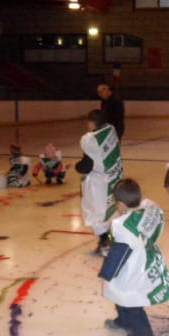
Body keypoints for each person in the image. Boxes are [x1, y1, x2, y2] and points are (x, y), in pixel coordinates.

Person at [100, 178, 169, 336]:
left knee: (131, 299)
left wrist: (107, 272)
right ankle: (123, 321)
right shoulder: (148, 209)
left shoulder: (122, 226)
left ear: (120, 205)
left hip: (133, 265)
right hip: (148, 257)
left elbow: (119, 253)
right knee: (121, 293)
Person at [75, 109, 122, 254]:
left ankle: (106, 242)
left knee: (96, 213)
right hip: (115, 176)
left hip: (99, 182)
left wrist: (76, 166)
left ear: (91, 122)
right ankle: (112, 238)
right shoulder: (110, 130)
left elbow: (86, 166)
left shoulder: (90, 140)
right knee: (111, 211)